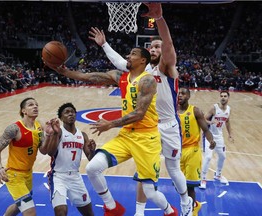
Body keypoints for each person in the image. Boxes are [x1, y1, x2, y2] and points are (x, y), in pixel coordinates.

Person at [43, 47, 178, 215]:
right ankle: (112, 207)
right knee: (92, 168)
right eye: (129, 53)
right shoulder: (120, 77)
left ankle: (169, 211)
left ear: (143, 60)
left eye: (133, 54)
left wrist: (110, 124)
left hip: (146, 139)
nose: (128, 56)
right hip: (126, 136)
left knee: (150, 192)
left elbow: (139, 113)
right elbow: (90, 77)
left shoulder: (148, 80)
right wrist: (65, 72)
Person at [88, 3, 192, 216]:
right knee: (142, 173)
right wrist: (105, 44)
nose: (154, 49)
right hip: (146, 129)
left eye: (157, 46)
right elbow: (119, 62)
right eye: (151, 47)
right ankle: (139, 211)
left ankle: (185, 202)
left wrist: (160, 19)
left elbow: (169, 45)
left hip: (168, 126)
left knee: (173, 170)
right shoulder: (142, 70)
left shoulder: (167, 67)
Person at [0, 97, 54, 216]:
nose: (35, 107)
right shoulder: (14, 129)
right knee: (30, 212)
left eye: (36, 104)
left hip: (28, 174)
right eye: (31, 105)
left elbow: (44, 151)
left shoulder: (39, 126)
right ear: (23, 111)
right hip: (14, 175)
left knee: (18, 206)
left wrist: (49, 136)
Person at [46, 102, 96, 216]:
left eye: (72, 112)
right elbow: (50, 153)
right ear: (61, 117)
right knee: (61, 211)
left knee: (89, 213)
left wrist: (92, 150)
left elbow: (90, 158)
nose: (70, 114)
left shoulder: (82, 135)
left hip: (75, 177)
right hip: (58, 176)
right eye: (67, 112)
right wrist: (54, 135)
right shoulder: (59, 133)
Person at [178, 87, 216, 216]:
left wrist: (211, 140)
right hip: (177, 152)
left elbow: (205, 129)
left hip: (193, 151)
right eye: (178, 93)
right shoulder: (172, 111)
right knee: (180, 187)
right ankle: (191, 205)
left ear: (188, 96)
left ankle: (192, 210)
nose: (180, 95)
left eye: (183, 93)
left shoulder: (195, 111)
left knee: (190, 186)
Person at [200, 90, 234, 189]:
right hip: (209, 136)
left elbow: (227, 122)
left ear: (228, 98)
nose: (223, 98)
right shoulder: (214, 108)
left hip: (219, 136)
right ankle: (203, 178)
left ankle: (218, 175)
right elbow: (203, 119)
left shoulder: (228, 109)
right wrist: (210, 122)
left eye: (225, 96)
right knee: (208, 157)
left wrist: (230, 134)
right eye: (221, 96)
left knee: (222, 156)